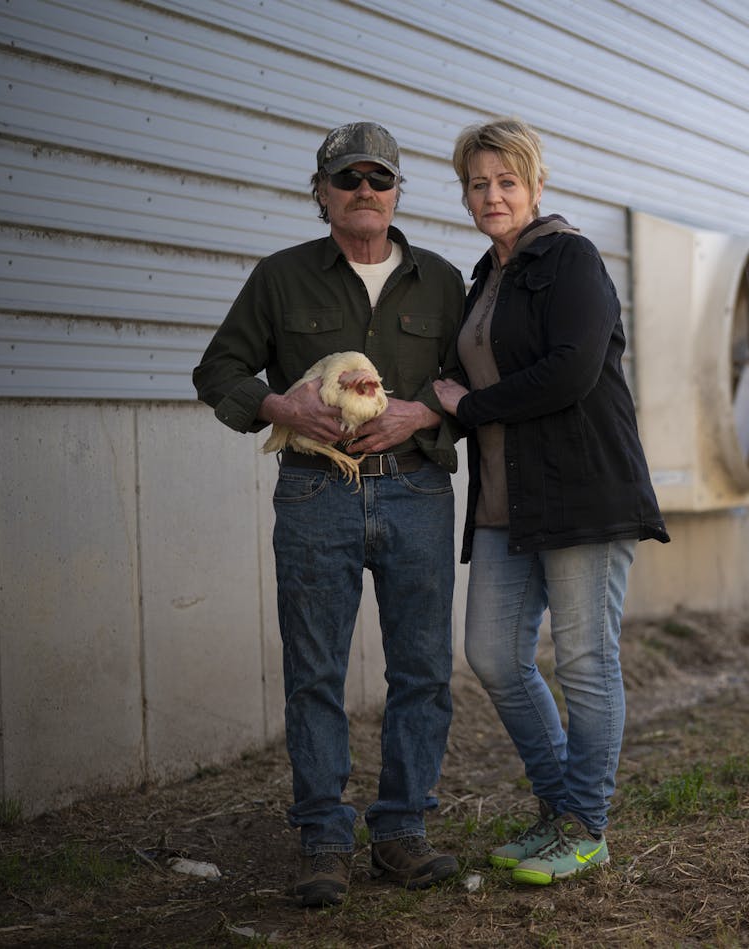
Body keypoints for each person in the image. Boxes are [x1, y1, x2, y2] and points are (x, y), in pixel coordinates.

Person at [193, 121, 466, 907]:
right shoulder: (280, 279)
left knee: (422, 670)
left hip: (416, 490)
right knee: (316, 672)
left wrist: (423, 418)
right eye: (348, 179)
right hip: (316, 492)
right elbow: (217, 369)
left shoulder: (442, 281)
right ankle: (323, 839)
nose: (365, 191)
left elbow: (465, 387)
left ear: (397, 193)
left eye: (380, 179)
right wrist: (278, 404)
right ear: (321, 193)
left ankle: (402, 830)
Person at [433, 117, 669, 885]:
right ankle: (558, 807)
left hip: (582, 492)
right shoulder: (483, 278)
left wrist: (468, 408)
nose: (492, 194)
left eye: (507, 181)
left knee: (586, 662)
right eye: (479, 183)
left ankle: (584, 823)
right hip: (508, 502)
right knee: (496, 654)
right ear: (465, 195)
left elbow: (571, 371)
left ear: (536, 187)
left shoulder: (571, 258)